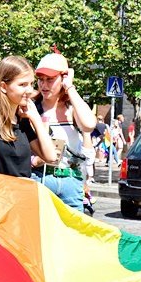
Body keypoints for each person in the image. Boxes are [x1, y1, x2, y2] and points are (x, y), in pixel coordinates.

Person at [31, 53, 96, 211]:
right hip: (41, 177)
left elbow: (89, 124)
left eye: (50, 79)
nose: (44, 85)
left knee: (72, 232)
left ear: (63, 78)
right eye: (41, 79)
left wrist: (70, 87)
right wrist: (37, 160)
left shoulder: (71, 108)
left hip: (70, 178)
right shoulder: (32, 106)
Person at [0, 56, 56, 177]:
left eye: (31, 84)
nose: (30, 90)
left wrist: (35, 118)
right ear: (3, 87)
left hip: (24, 192)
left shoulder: (22, 121)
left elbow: (51, 157)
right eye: (22, 84)